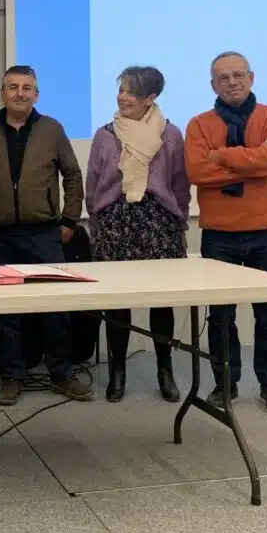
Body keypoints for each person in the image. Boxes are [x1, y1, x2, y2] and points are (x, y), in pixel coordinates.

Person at [0, 65, 93, 406]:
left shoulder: (52, 129)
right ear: (2, 94)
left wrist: (69, 219)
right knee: (5, 311)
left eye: (27, 87)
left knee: (54, 307)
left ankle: (61, 372)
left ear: (36, 94)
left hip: (43, 232)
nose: (20, 93)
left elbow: (73, 175)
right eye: (13, 87)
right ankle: (11, 376)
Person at [185, 51, 267, 415]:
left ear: (251, 78)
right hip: (220, 235)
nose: (231, 82)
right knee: (220, 317)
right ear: (213, 85)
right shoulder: (199, 125)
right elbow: (197, 172)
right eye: (223, 78)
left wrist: (222, 156)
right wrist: (254, 160)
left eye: (238, 75)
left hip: (265, 233)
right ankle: (225, 385)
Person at [85, 66, 189, 404]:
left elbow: (179, 183)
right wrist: (96, 226)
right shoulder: (105, 135)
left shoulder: (169, 134)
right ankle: (118, 371)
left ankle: (165, 370)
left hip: (158, 223)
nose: (123, 97)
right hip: (116, 224)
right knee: (118, 302)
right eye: (121, 90)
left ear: (150, 98)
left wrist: (180, 223)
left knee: (161, 302)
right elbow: (93, 183)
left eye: (131, 92)